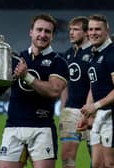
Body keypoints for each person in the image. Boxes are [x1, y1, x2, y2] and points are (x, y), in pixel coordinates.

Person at [0, 13, 69, 168]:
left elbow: (54, 91)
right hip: (13, 127)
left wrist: (26, 76)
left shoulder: (59, 62)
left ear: (53, 36)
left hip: (42, 129)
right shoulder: (16, 58)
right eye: (39, 30)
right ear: (31, 32)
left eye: (47, 31)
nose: (42, 35)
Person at [79, 14, 114, 168]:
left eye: (97, 29)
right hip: (101, 116)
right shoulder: (94, 55)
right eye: (90, 29)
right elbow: (94, 87)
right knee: (97, 164)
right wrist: (87, 114)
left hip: (111, 115)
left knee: (110, 163)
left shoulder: (112, 53)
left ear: (107, 30)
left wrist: (95, 106)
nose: (93, 32)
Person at [58, 16, 92, 168]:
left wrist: (92, 108)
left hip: (92, 111)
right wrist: (62, 108)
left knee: (98, 158)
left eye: (76, 30)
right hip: (71, 111)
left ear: (86, 33)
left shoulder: (95, 53)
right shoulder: (67, 55)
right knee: (67, 157)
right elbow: (65, 84)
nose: (71, 33)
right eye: (70, 29)